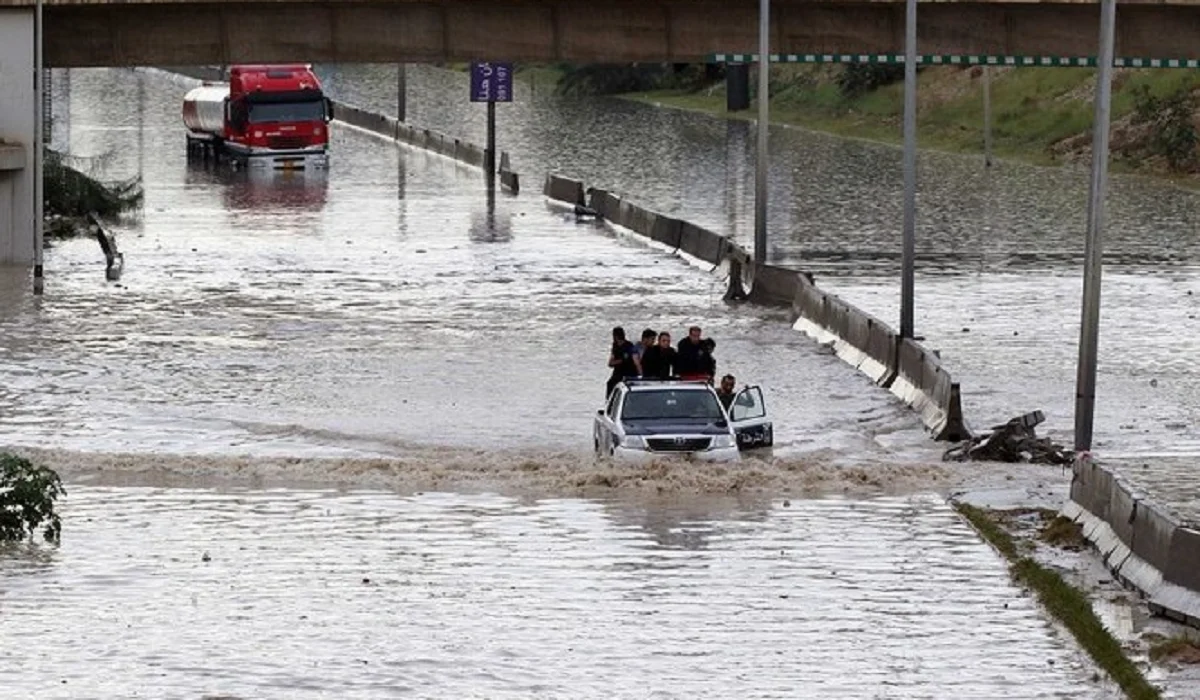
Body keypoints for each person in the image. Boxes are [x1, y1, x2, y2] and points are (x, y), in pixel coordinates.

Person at [606, 326, 641, 399]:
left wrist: (640, 375)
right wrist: (621, 361)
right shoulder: (615, 346)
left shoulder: (629, 346)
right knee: (610, 384)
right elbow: (610, 363)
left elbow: (636, 361)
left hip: (629, 371)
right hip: (618, 372)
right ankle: (609, 404)